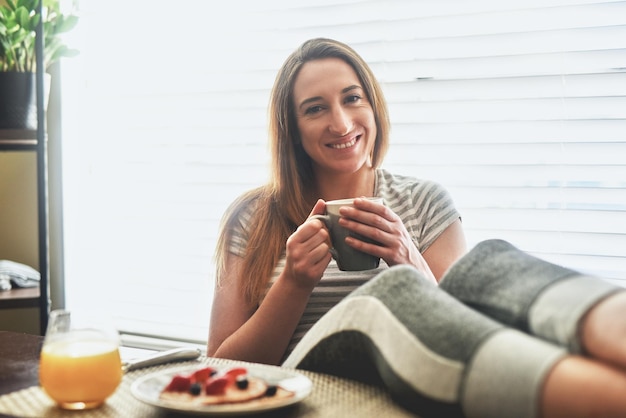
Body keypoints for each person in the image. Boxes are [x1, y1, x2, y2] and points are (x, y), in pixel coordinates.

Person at [208, 38, 626, 418]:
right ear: (294, 130)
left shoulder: (425, 202)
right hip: (303, 383)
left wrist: (408, 256)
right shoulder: (253, 216)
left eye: (352, 99)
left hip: (419, 381)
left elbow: (466, 330)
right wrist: (294, 285)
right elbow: (217, 366)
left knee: (491, 260)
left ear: (373, 107)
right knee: (390, 295)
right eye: (315, 108)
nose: (340, 122)